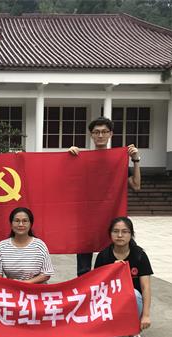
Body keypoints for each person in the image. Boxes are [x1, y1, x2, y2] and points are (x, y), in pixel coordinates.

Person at [68, 116, 141, 277]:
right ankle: (85, 290)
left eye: (104, 132)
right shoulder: (81, 158)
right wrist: (68, 158)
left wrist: (135, 160)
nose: (100, 135)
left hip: (111, 215)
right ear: (91, 135)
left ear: (110, 134)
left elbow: (136, 185)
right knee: (84, 268)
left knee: (112, 260)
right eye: (96, 132)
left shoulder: (118, 159)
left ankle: (111, 288)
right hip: (86, 217)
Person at [94, 216, 152, 337]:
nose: (120, 235)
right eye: (116, 231)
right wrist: (112, 270)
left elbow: (146, 287)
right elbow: (96, 285)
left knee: (135, 293)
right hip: (109, 299)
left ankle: (134, 333)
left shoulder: (139, 255)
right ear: (110, 234)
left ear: (131, 234)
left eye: (125, 231)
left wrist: (146, 315)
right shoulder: (103, 256)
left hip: (132, 301)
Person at [0, 207, 54, 283]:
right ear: (11, 224)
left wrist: (24, 283)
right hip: (12, 288)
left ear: (30, 224)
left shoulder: (39, 245)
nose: (21, 224)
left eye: (25, 221)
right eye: (17, 221)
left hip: (35, 288)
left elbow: (47, 274)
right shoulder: (2, 246)